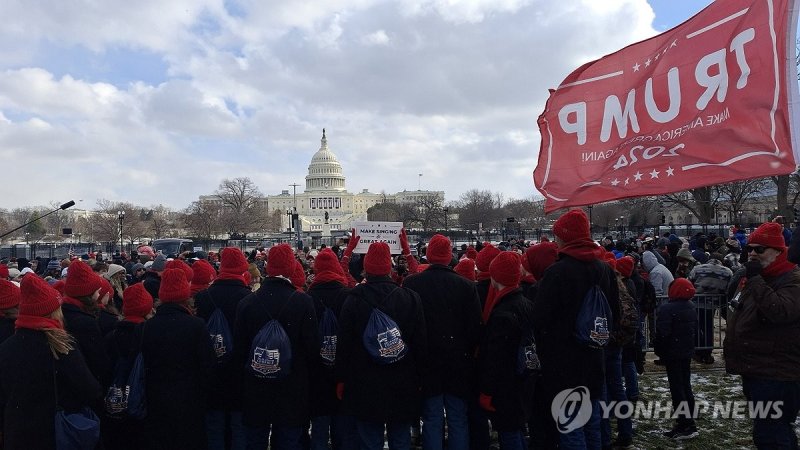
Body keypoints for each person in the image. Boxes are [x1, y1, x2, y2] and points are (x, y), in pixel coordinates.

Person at [532, 209, 619, 449]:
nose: (556, 240)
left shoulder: (557, 273)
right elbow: (614, 313)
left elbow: (540, 318)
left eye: (559, 236)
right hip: (594, 356)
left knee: (570, 425)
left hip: (563, 362)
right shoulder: (604, 270)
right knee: (591, 420)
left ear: (567, 237)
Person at [335, 242, 428, 450]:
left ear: (366, 267)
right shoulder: (410, 298)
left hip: (365, 381)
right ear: (389, 267)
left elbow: (344, 345)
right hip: (402, 379)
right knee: (400, 436)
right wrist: (421, 377)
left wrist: (341, 379)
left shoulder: (353, 300)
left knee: (369, 438)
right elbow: (420, 343)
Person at [0, 273, 102, 449]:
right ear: (53, 311)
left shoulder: (7, 347)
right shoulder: (62, 346)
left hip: (17, 434)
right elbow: (90, 389)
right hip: (55, 433)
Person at [233, 244, 319, 450]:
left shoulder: (247, 303)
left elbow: (239, 351)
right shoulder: (303, 302)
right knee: (289, 441)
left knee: (255, 440)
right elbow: (312, 349)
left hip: (256, 386)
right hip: (292, 387)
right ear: (291, 268)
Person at [724, 222, 800, 449]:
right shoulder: (755, 277)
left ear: (778, 251)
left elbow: (780, 311)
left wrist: (755, 280)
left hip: (778, 373)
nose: (753, 254)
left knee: (773, 433)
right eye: (750, 249)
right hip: (757, 368)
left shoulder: (792, 278)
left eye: (760, 249)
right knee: (768, 429)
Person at [403, 234, 482, 450]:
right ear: (449, 257)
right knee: (458, 419)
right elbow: (475, 328)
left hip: (427, 362)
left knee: (432, 419)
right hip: (458, 361)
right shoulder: (466, 286)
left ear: (428, 256)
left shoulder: (413, 284)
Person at [141, 268, 216, 449]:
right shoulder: (196, 325)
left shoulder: (148, 326)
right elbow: (208, 364)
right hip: (190, 396)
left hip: (157, 395)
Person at [194, 248, 253, 450]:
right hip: (239, 371)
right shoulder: (247, 298)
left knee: (214, 426)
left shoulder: (203, 297)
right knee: (239, 426)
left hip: (212, 370)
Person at [478, 251, 536, 450]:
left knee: (508, 431)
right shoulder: (526, 304)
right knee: (517, 427)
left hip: (506, 386)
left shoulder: (503, 313)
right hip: (523, 380)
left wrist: (487, 391)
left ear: (496, 277)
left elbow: (495, 359)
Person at [307, 248, 356, 450]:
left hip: (317, 373)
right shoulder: (349, 296)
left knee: (319, 428)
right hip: (343, 372)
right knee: (343, 430)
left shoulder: (306, 298)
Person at [102, 283, 154, 450]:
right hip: (143, 406)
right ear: (147, 309)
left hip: (116, 403)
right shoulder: (149, 335)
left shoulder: (112, 335)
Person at [654, 278, 698, 440]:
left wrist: (659, 349)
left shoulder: (667, 308)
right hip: (685, 352)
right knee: (685, 385)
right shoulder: (691, 307)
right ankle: (687, 419)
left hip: (672, 353)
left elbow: (663, 333)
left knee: (677, 389)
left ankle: (686, 423)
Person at [687, 252, 732, 364]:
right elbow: (729, 289)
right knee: (708, 328)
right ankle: (707, 352)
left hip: (696, 302)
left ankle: (698, 350)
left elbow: (688, 283)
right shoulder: (727, 272)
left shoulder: (697, 269)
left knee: (696, 327)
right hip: (712, 304)